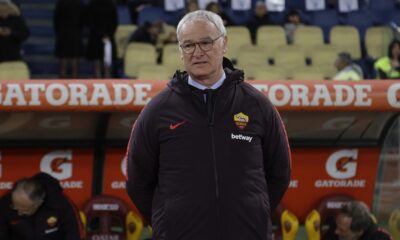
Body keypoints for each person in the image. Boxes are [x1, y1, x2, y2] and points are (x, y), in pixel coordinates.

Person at [126, 10, 291, 240]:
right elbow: (138, 181)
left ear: (224, 44)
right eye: (188, 45)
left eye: (205, 42)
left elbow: (280, 173)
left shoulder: (257, 105)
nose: (197, 53)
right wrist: (168, 220)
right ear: (180, 52)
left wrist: (254, 212)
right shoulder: (157, 110)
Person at [0, 172, 84, 240]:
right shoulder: (5, 203)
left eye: (24, 210)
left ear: (39, 203)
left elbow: (75, 235)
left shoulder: (61, 204)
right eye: (14, 206)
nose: (19, 212)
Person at [323, 201, 392, 240]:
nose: (336, 231)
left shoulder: (381, 238)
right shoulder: (334, 229)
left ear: (359, 231)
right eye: (337, 226)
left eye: (342, 230)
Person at [85, 0, 118, 78]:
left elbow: (89, 23)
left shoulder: (92, 4)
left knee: (99, 66)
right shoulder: (111, 5)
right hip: (106, 38)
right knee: (106, 67)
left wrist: (101, 35)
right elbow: (115, 23)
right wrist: (107, 35)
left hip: (96, 38)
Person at [53, 0, 84, 78]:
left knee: (63, 64)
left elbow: (56, 20)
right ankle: (75, 87)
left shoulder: (61, 3)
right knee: (75, 66)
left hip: (63, 36)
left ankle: (62, 88)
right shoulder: (79, 3)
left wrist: (59, 32)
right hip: (75, 35)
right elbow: (83, 21)